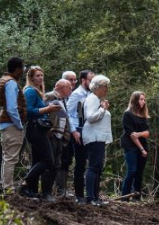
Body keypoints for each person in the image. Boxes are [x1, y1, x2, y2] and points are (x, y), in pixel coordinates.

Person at [21, 66, 62, 199]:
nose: (40, 78)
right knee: (48, 160)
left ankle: (31, 190)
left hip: (40, 129)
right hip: (34, 129)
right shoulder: (30, 91)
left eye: (41, 75)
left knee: (37, 160)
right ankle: (25, 183)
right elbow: (28, 111)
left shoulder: (37, 91)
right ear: (31, 77)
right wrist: (47, 109)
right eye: (37, 75)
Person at [0, 57, 27, 194]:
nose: (23, 72)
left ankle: (6, 187)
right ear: (17, 69)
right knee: (11, 157)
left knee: (7, 157)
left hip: (6, 123)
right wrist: (19, 125)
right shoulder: (11, 83)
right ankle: (8, 189)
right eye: (22, 69)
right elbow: (12, 108)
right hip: (11, 124)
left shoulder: (5, 80)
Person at [81, 75, 112, 206]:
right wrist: (102, 109)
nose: (107, 89)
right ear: (99, 87)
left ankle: (95, 196)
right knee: (93, 166)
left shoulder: (97, 99)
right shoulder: (92, 99)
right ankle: (90, 197)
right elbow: (90, 117)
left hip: (99, 137)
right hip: (93, 136)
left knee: (98, 167)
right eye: (105, 86)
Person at [66, 70, 94, 202]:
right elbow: (68, 113)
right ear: (83, 80)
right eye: (90, 80)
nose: (92, 83)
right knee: (80, 163)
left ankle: (91, 195)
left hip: (89, 130)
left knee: (92, 162)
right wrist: (74, 131)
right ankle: (79, 195)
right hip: (78, 130)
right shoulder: (76, 94)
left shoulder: (91, 94)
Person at [43, 79, 74, 199]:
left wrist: (66, 134)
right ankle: (46, 191)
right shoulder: (50, 96)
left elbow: (63, 117)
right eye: (69, 88)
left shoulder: (62, 100)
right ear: (61, 87)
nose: (71, 90)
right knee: (49, 163)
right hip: (52, 135)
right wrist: (48, 130)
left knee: (57, 163)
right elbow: (43, 114)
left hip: (60, 136)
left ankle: (54, 191)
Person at [120, 91, 150, 200]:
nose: (143, 101)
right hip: (131, 146)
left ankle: (137, 196)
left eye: (144, 99)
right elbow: (132, 136)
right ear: (135, 100)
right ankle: (124, 196)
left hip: (143, 145)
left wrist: (139, 134)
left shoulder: (143, 115)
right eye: (141, 99)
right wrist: (141, 149)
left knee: (139, 172)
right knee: (132, 170)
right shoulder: (128, 114)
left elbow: (147, 133)